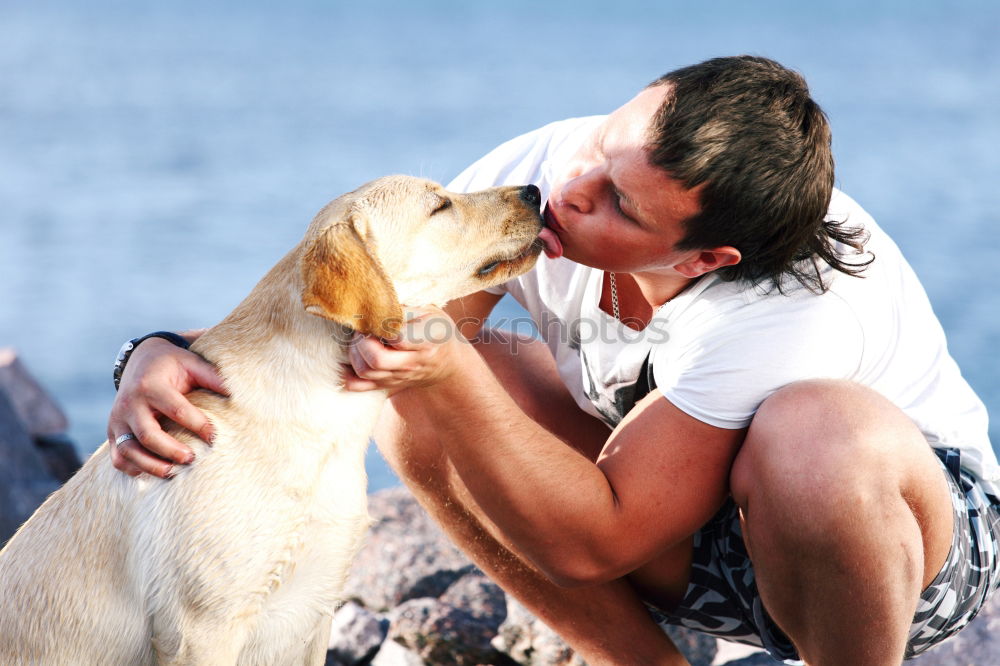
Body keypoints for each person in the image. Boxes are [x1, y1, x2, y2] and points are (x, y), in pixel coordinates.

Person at [108, 56, 1000, 665]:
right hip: (681, 509)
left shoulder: (794, 309)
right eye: (603, 145)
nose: (566, 190)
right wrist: (159, 354)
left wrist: (451, 367)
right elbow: (368, 324)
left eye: (616, 202)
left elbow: (596, 542)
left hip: (893, 549)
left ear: (700, 261)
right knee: (409, 389)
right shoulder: (554, 167)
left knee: (816, 433)